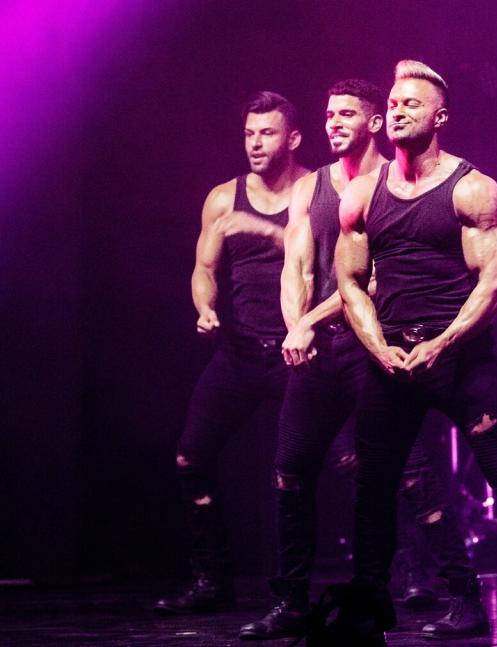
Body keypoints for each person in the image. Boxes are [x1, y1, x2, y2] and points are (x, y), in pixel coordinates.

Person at [238, 79, 488, 641]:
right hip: (315, 353)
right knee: (289, 469)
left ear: (374, 123)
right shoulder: (312, 188)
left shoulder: (388, 188)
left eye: (346, 114)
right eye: (329, 114)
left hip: (368, 345)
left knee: (412, 475)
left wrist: (309, 321)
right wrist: (294, 327)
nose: (333, 123)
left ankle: (461, 594)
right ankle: (294, 601)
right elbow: (296, 269)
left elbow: (369, 281)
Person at [335, 60, 497, 646]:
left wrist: (442, 343)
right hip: (392, 361)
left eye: (411, 104)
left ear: (440, 117)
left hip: (461, 359)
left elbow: (494, 284)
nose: (396, 111)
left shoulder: (472, 189)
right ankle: (378, 614)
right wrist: (381, 348)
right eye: (392, 103)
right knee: (373, 493)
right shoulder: (362, 194)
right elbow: (350, 285)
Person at [154, 92, 309, 614]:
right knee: (189, 457)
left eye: (266, 133)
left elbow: (329, 257)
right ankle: (211, 578)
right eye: (248, 134)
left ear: (292, 139)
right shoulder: (223, 197)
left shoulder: (316, 190)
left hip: (298, 354)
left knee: (348, 460)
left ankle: (391, 575)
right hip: (239, 354)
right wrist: (206, 308)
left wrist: (264, 229)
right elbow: (204, 269)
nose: (255, 144)